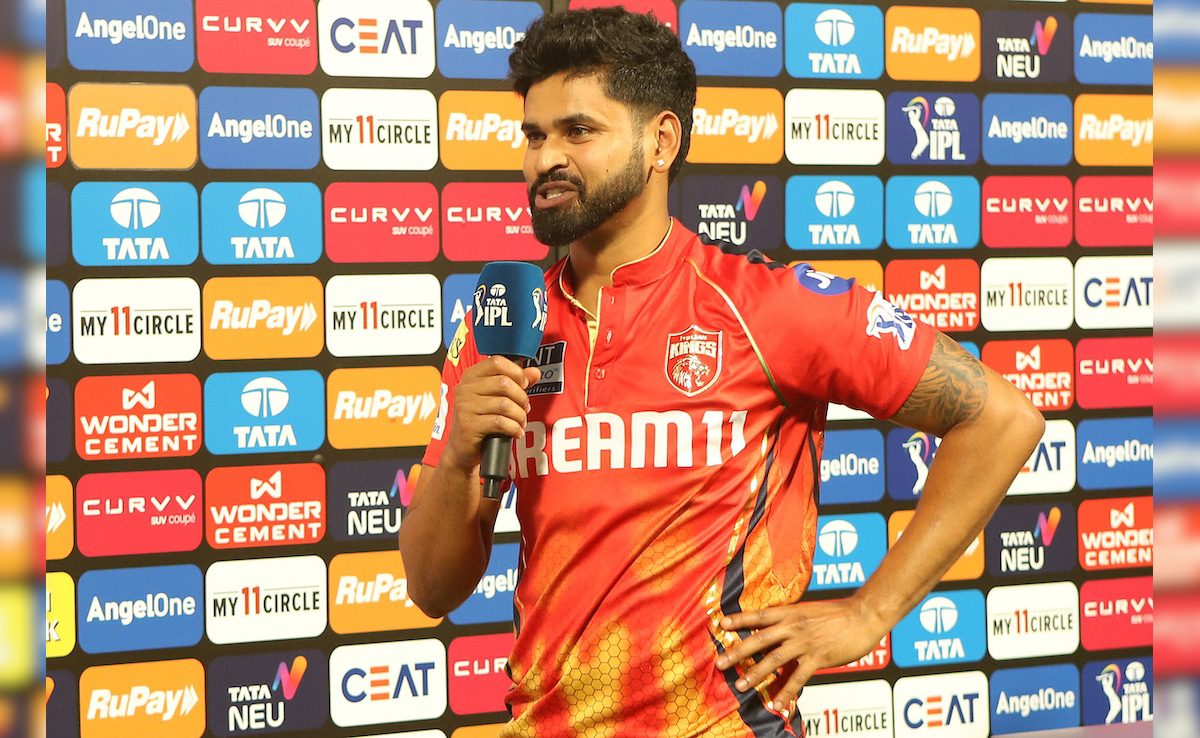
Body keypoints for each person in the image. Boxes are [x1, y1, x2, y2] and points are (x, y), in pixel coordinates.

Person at [400, 7, 1044, 736]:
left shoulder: (767, 305)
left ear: (661, 141)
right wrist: (461, 454)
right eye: (534, 135)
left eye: (578, 131)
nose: (545, 159)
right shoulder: (499, 329)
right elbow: (431, 588)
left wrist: (870, 613)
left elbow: (1001, 419)